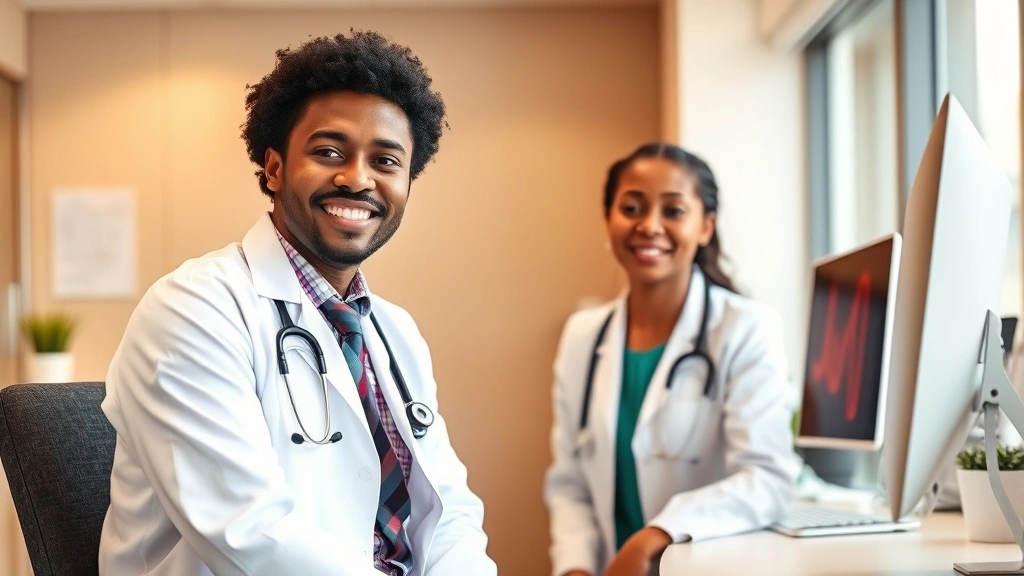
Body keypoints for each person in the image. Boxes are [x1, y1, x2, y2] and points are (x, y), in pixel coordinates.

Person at [98, 32, 496, 576]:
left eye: (386, 161)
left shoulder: (394, 332)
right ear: (275, 167)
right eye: (329, 151)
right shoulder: (192, 310)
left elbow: (449, 508)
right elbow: (248, 528)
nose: (357, 178)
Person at [544, 143, 799, 576]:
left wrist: (657, 534)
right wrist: (576, 567)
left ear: (706, 227)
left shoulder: (746, 328)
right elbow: (570, 484)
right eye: (631, 207)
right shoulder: (583, 335)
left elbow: (766, 478)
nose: (649, 226)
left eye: (674, 211)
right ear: (608, 220)